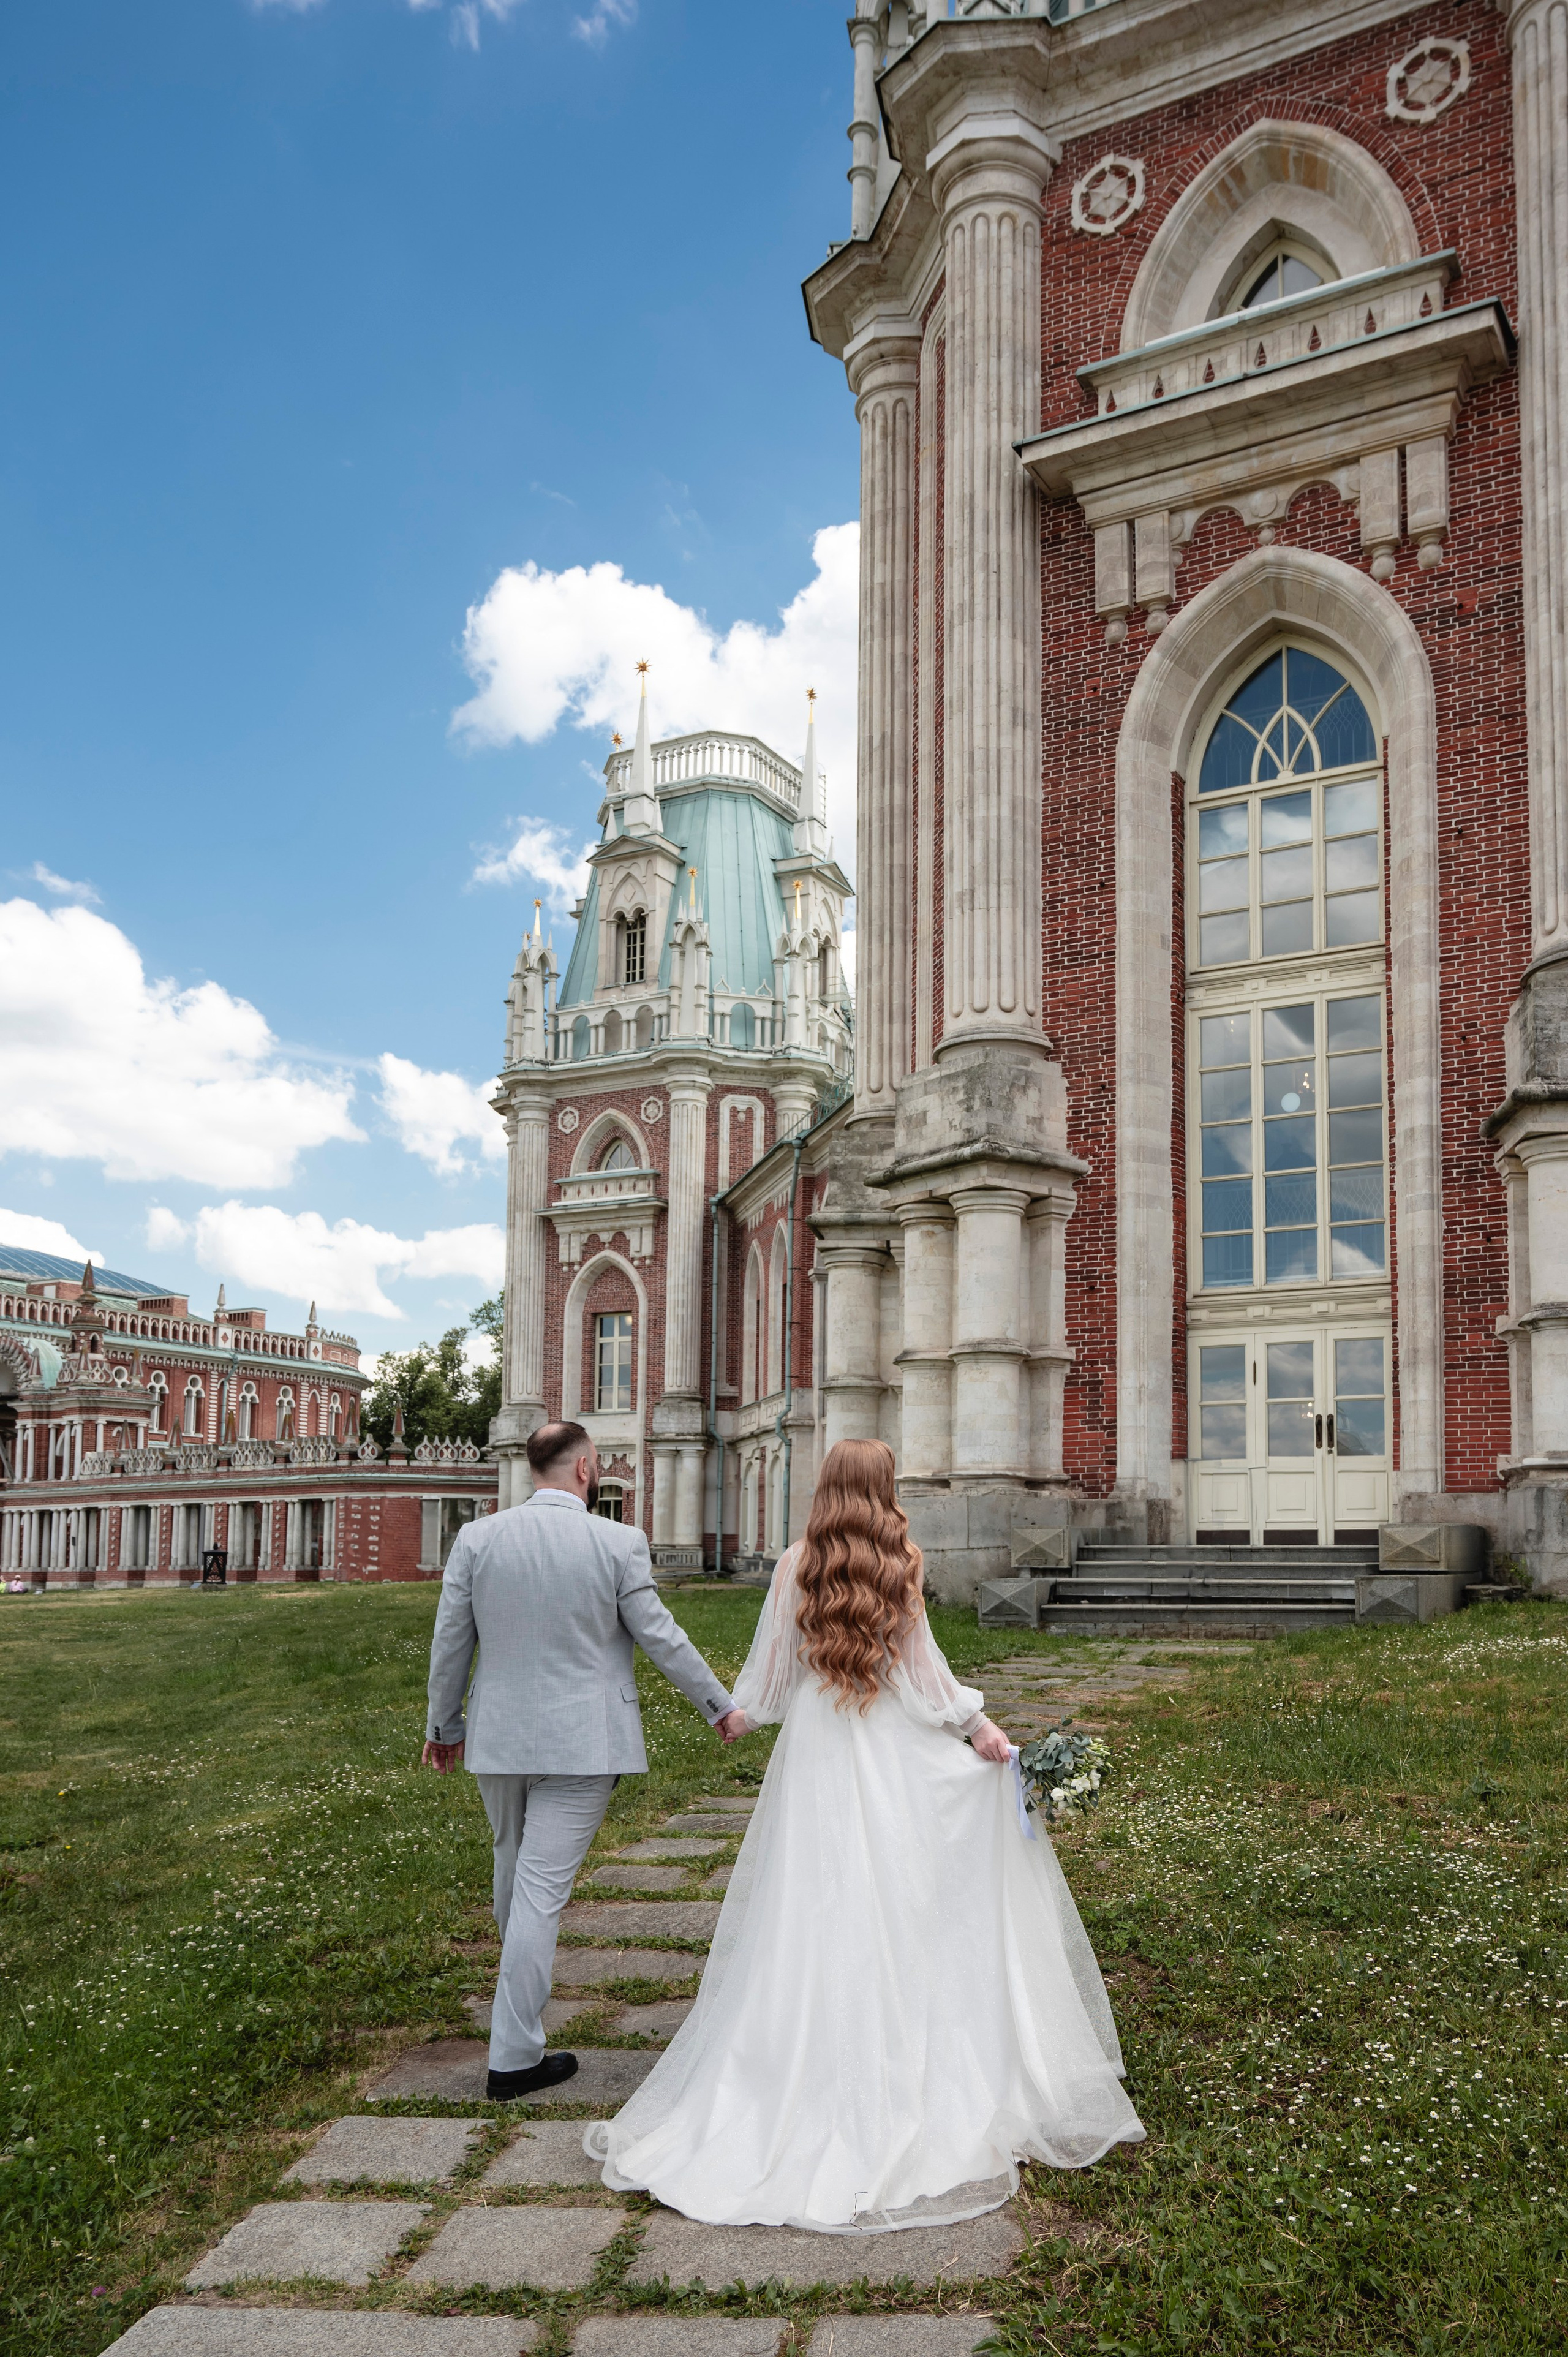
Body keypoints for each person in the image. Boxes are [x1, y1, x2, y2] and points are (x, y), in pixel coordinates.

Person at [586, 1436, 1145, 2230]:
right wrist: (979, 1730)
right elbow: (925, 1675)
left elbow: (773, 1677)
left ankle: (794, 2070)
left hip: (816, 1747)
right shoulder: (899, 1563)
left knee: (810, 1904)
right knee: (901, 1898)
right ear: (882, 1488)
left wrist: (738, 1715)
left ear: (825, 1487)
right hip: (888, 1749)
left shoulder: (793, 1566)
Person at [423, 1419, 744, 2100]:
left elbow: (451, 1638)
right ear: (583, 1469)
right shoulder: (619, 1540)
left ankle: (518, 2030)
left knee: (514, 1874)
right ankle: (513, 2055)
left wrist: (443, 1724)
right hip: (583, 1740)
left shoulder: (478, 1538)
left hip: (498, 1737)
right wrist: (719, 1705)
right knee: (536, 1891)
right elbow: (661, 1634)